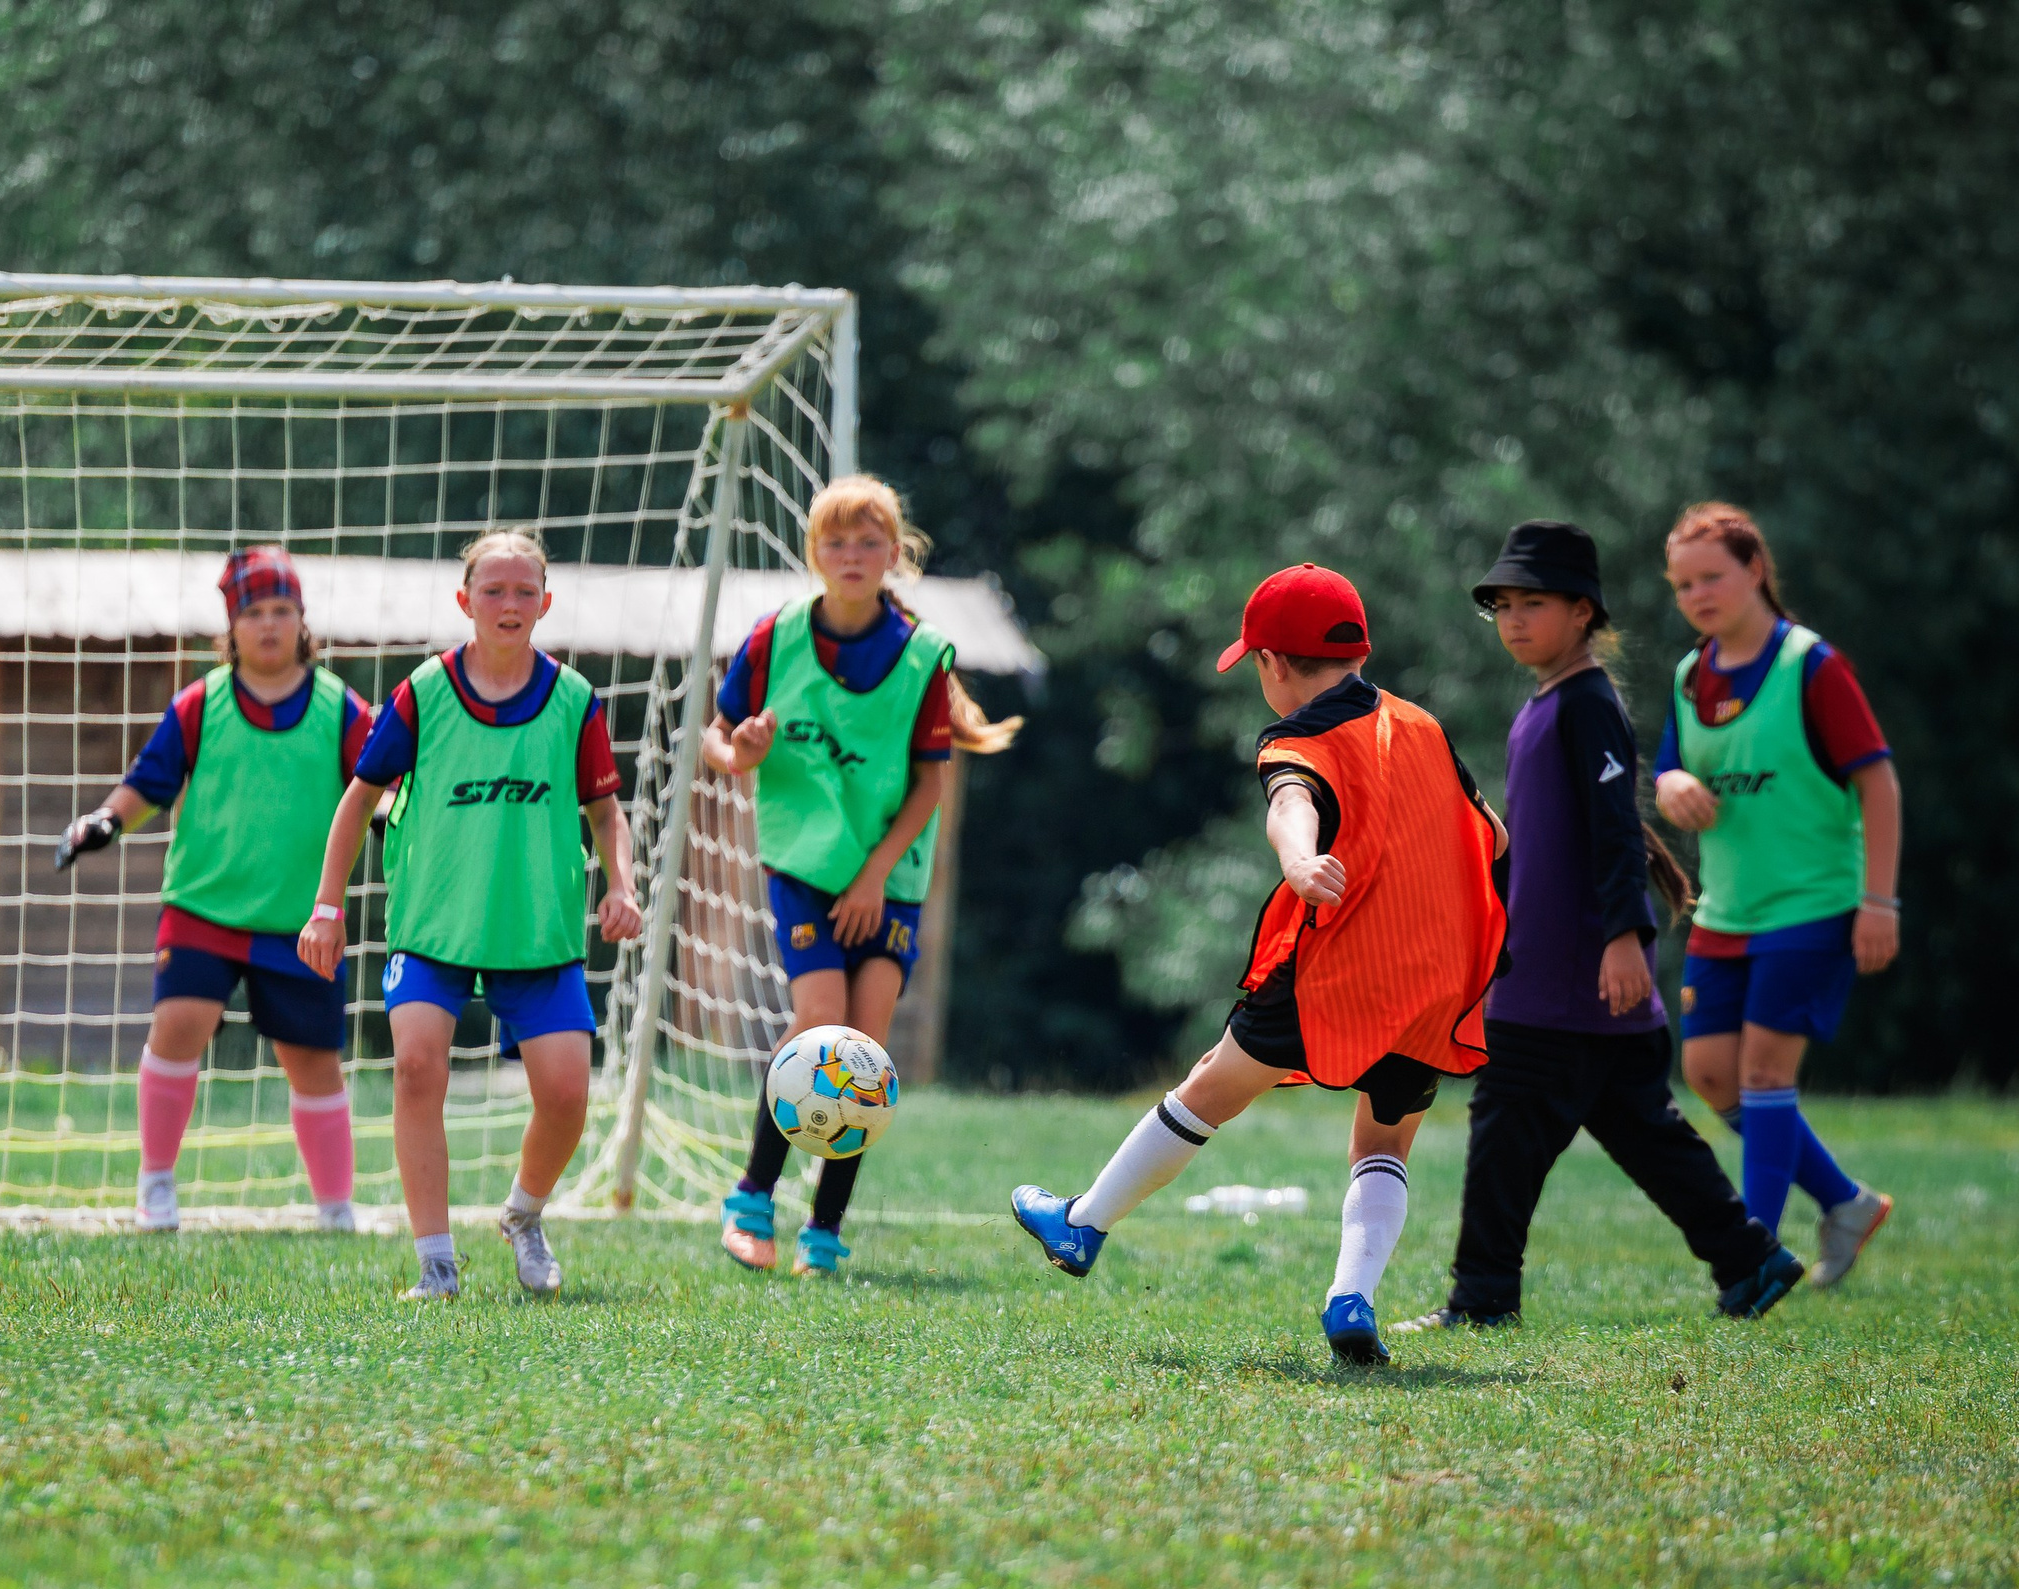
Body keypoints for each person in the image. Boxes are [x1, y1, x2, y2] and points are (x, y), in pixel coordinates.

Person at [1012, 564, 1506, 1364]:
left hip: (1339, 970)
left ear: (1274, 663)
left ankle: (1082, 1224)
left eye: (1256, 666)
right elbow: (1496, 835)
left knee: (1211, 1086)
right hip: (1438, 979)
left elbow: (1290, 802)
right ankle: (1353, 1298)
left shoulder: (1296, 737)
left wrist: (1304, 862)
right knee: (1384, 1141)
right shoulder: (1423, 726)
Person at [1393, 522, 1803, 1336]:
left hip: (1567, 981)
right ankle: (1749, 1257)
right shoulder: (1546, 704)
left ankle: (1482, 1296)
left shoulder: (1586, 704)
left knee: (1507, 1128)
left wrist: (1627, 936)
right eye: (1502, 606)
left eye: (1532, 603)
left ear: (1582, 612)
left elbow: (1616, 827)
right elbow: (1545, 838)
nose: (1514, 620)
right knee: (1644, 1134)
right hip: (1553, 977)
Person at [299, 529, 642, 1301]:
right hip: (434, 926)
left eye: (525, 590)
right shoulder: (423, 693)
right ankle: (436, 1263)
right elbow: (358, 799)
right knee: (419, 1065)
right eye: (494, 589)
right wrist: (327, 905)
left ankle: (523, 1216)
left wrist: (622, 884)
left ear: (546, 602)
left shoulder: (574, 700)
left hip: (536, 928)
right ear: (465, 601)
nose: (510, 603)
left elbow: (606, 811)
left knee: (565, 1095)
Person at [705, 476, 1019, 1277]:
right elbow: (718, 738)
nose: (851, 555)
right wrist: (739, 750)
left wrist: (876, 875)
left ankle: (823, 1229)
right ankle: (750, 1200)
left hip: (889, 875)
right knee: (820, 1032)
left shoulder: (921, 656)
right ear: (814, 553)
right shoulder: (773, 639)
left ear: (895, 554)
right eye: (836, 542)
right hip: (806, 865)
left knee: (865, 1050)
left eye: (868, 541)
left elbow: (927, 784)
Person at [56, 544, 372, 1234]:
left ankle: (335, 1206)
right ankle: (157, 1187)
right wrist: (106, 819)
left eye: (282, 609)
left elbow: (378, 786)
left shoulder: (340, 707)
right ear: (230, 627)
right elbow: (148, 784)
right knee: (178, 1026)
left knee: (314, 1062)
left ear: (302, 620)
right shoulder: (199, 705)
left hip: (299, 920)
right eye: (254, 611)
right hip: (203, 905)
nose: (268, 624)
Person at [1652, 502, 1899, 1288]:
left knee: (1763, 1074)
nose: (1697, 594)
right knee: (1712, 1075)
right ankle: (1845, 1202)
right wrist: (1675, 783)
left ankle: (1749, 1267)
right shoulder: (1692, 675)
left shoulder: (1811, 665)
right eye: (1683, 583)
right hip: (1726, 911)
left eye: (1712, 576)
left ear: (1755, 569)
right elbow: (1665, 770)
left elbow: (1879, 782)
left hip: (1814, 903)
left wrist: (1879, 901)